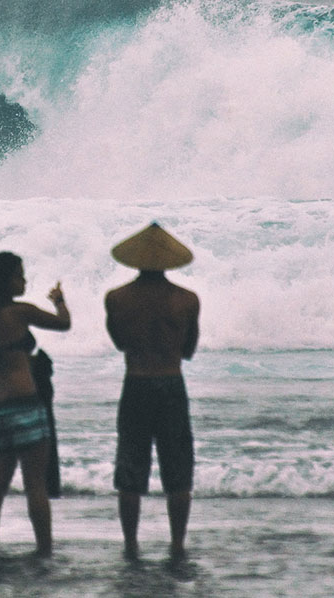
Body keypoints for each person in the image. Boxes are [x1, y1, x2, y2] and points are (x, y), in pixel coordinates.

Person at [104, 223, 200, 559]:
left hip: (136, 382)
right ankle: (177, 544)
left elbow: (119, 343)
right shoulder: (187, 300)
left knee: (130, 467)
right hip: (171, 381)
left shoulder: (116, 299)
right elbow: (189, 350)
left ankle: (131, 544)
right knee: (178, 469)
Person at [0, 252, 70, 556]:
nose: (24, 279)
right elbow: (63, 323)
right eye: (19, 274)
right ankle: (44, 549)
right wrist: (59, 299)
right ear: (6, 281)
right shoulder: (19, 313)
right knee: (35, 485)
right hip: (26, 404)